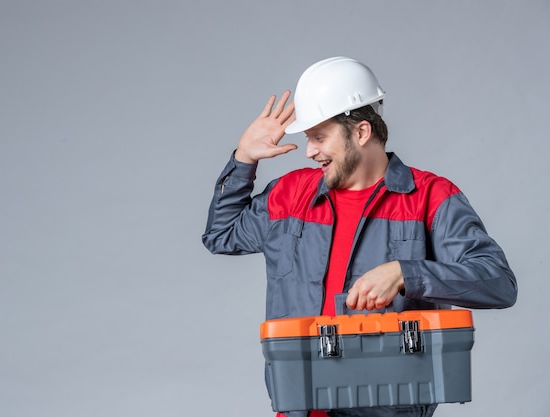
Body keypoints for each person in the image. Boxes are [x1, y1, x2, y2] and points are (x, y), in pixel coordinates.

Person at [201, 56, 517, 417]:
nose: (309, 151)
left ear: (361, 132)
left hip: (386, 407)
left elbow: (499, 283)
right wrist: (243, 159)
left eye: (319, 137)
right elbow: (221, 235)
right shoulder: (289, 195)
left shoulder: (431, 197)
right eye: (308, 139)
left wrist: (405, 273)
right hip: (298, 405)